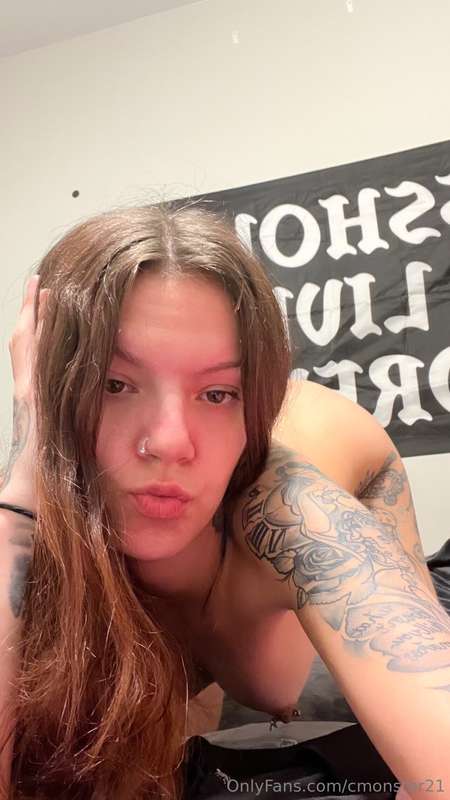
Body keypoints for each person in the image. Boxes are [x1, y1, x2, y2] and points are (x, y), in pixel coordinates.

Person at [0, 203, 448, 800]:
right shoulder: (47, 519)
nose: (170, 442)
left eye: (218, 393)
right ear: (48, 392)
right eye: (114, 383)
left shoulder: (294, 516)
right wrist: (25, 476)